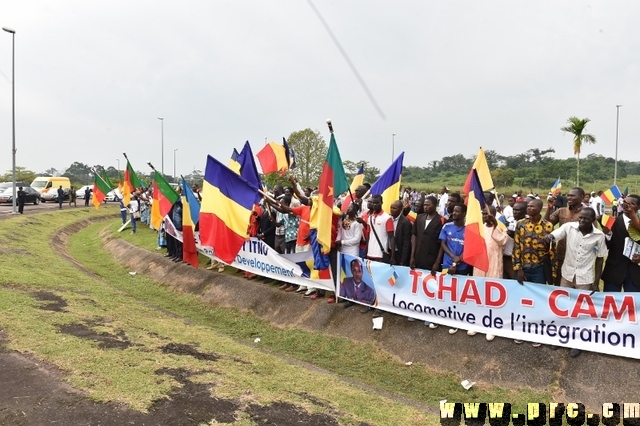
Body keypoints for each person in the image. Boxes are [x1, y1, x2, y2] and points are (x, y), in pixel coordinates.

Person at [547, 207, 607, 357]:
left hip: (585, 278)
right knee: (563, 307)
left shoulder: (599, 236)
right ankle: (560, 338)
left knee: (580, 311)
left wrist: (596, 282)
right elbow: (554, 235)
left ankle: (577, 342)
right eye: (580, 218)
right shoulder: (569, 227)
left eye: (585, 219)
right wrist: (548, 238)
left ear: (592, 220)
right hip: (566, 275)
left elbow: (600, 259)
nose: (581, 221)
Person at [429, 204, 469, 334]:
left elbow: (469, 248)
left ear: (464, 213)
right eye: (454, 211)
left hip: (462, 267)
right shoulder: (447, 226)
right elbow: (443, 244)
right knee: (444, 293)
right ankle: (440, 318)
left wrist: (457, 262)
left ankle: (455, 321)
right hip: (446, 265)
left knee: (458, 295)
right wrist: (452, 258)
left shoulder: (469, 230)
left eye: (458, 211)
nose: (454, 213)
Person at [544, 187, 584, 285]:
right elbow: (547, 225)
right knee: (559, 282)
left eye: (572, 196)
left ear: (581, 197)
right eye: (568, 195)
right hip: (561, 253)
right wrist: (549, 208)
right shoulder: (561, 211)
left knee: (577, 283)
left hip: (579, 256)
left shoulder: (587, 213)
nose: (569, 198)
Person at [601, 194, 640, 292]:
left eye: (632, 204)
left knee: (633, 305)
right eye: (625, 203)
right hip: (614, 271)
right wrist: (608, 234)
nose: (628, 206)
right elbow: (606, 247)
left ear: (638, 207)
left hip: (635, 273)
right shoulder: (611, 222)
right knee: (610, 304)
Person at [410, 196, 444, 272]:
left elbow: (442, 243)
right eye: (424, 205)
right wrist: (412, 256)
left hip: (431, 259)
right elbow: (414, 236)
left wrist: (437, 262)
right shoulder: (419, 218)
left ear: (435, 205)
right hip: (418, 257)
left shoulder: (441, 220)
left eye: (428, 205)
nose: (425, 207)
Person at [365, 194, 395, 264]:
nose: (374, 205)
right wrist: (366, 252)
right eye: (373, 203)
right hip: (370, 254)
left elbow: (391, 237)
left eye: (377, 203)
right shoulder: (370, 217)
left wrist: (393, 256)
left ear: (381, 203)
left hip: (381, 255)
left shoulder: (387, 218)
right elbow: (368, 236)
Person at [390, 200, 412, 266]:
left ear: (400, 209)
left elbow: (406, 242)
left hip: (399, 252)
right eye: (391, 207)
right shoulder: (388, 218)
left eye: (394, 208)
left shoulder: (405, 222)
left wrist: (403, 260)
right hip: (389, 251)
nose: (391, 210)